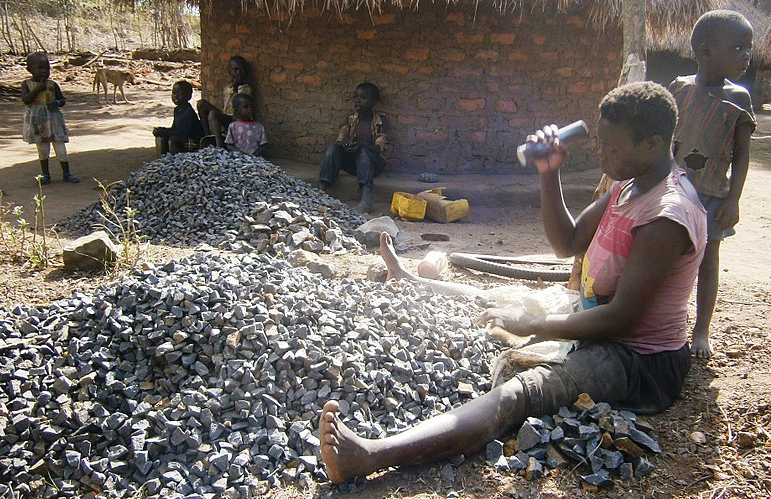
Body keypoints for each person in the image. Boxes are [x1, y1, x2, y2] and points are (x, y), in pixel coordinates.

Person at [318, 81, 707, 484]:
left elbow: (622, 319)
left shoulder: (666, 216)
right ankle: (408, 277)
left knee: (521, 393)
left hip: (637, 360)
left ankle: (371, 455)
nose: (600, 154)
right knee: (495, 297)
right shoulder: (627, 188)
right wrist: (548, 172)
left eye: (612, 148)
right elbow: (567, 243)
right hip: (597, 320)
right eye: (600, 143)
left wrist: (533, 325)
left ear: (652, 144)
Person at [669, 10, 755, 359]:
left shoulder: (740, 99)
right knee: (667, 257)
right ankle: (666, 320)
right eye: (737, 48)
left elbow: (742, 156)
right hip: (674, 192)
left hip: (713, 195)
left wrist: (734, 200)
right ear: (705, 52)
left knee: (708, 261)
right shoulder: (679, 88)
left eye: (747, 48)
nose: (746, 55)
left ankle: (701, 329)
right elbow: (664, 138)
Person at [318, 82, 387, 213]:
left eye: (363, 98)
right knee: (333, 148)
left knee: (364, 152)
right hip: (354, 162)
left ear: (374, 102)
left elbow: (380, 147)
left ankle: (366, 201)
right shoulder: (350, 119)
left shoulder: (380, 121)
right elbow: (340, 140)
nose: (358, 100)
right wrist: (345, 145)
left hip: (373, 164)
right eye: (356, 97)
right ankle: (321, 191)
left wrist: (362, 146)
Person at [21, 52, 78, 185]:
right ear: (29, 69)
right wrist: (37, 90)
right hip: (37, 121)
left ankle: (67, 173)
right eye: (40, 68)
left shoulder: (52, 84)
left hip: (54, 120)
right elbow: (26, 100)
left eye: (47, 68)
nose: (44, 71)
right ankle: (45, 174)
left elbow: (62, 100)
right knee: (42, 148)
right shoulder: (26, 84)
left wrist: (56, 103)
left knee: (60, 147)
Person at [197, 55, 253, 148]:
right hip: (227, 118)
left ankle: (220, 147)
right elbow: (226, 108)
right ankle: (208, 136)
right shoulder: (227, 88)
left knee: (213, 114)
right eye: (235, 70)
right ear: (229, 71)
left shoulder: (246, 88)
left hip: (237, 120)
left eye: (241, 70)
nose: (238, 73)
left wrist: (235, 89)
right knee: (201, 104)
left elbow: (239, 108)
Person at [153, 80, 205, 155]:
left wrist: (164, 132)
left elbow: (183, 133)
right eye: (174, 93)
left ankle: (175, 162)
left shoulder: (189, 112)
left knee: (173, 140)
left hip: (194, 142)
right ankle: (165, 161)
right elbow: (174, 128)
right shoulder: (177, 110)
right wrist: (162, 130)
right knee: (163, 137)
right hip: (184, 137)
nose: (175, 96)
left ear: (188, 96)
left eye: (180, 93)